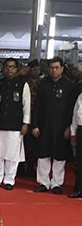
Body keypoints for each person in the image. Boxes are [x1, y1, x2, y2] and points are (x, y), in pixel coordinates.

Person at [31, 58, 76, 195]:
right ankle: (43, 182)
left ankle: (57, 183)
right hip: (44, 125)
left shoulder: (69, 86)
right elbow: (37, 107)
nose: (54, 70)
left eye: (57, 67)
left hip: (62, 126)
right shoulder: (43, 85)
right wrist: (35, 125)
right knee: (43, 153)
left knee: (59, 155)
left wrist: (70, 127)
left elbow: (72, 109)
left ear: (62, 68)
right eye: (51, 68)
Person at [0, 58, 30, 191]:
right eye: (7, 67)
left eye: (12, 67)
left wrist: (26, 123)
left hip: (15, 124)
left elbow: (27, 105)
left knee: (12, 155)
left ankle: (9, 179)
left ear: (17, 69)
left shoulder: (22, 84)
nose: (9, 69)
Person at [71, 89, 82, 199]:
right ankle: (79, 188)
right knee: (79, 161)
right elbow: (75, 116)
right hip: (80, 130)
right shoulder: (80, 96)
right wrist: (73, 132)